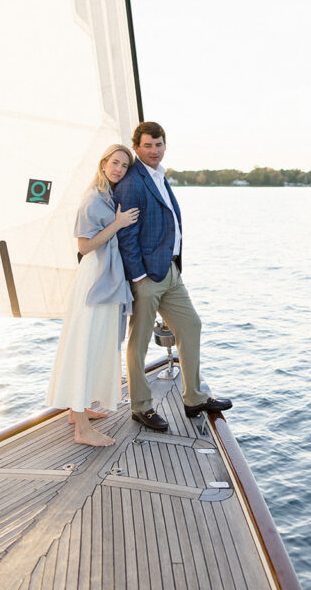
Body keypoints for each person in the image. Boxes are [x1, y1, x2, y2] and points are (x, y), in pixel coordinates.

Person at [114, 121, 232, 431]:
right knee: (138, 343)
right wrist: (137, 275)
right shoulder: (133, 181)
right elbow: (126, 234)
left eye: (159, 144)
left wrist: (172, 265)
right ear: (137, 147)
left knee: (191, 325)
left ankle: (193, 399)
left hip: (171, 271)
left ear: (165, 145)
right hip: (146, 277)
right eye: (148, 145)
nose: (154, 150)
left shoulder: (160, 176)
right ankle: (141, 407)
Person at [45, 145, 139, 446]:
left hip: (104, 277)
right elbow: (84, 247)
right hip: (94, 278)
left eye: (124, 166)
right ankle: (82, 429)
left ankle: (79, 409)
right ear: (103, 163)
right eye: (115, 163)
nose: (119, 170)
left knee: (96, 342)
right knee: (84, 345)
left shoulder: (109, 196)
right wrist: (118, 224)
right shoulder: (92, 199)